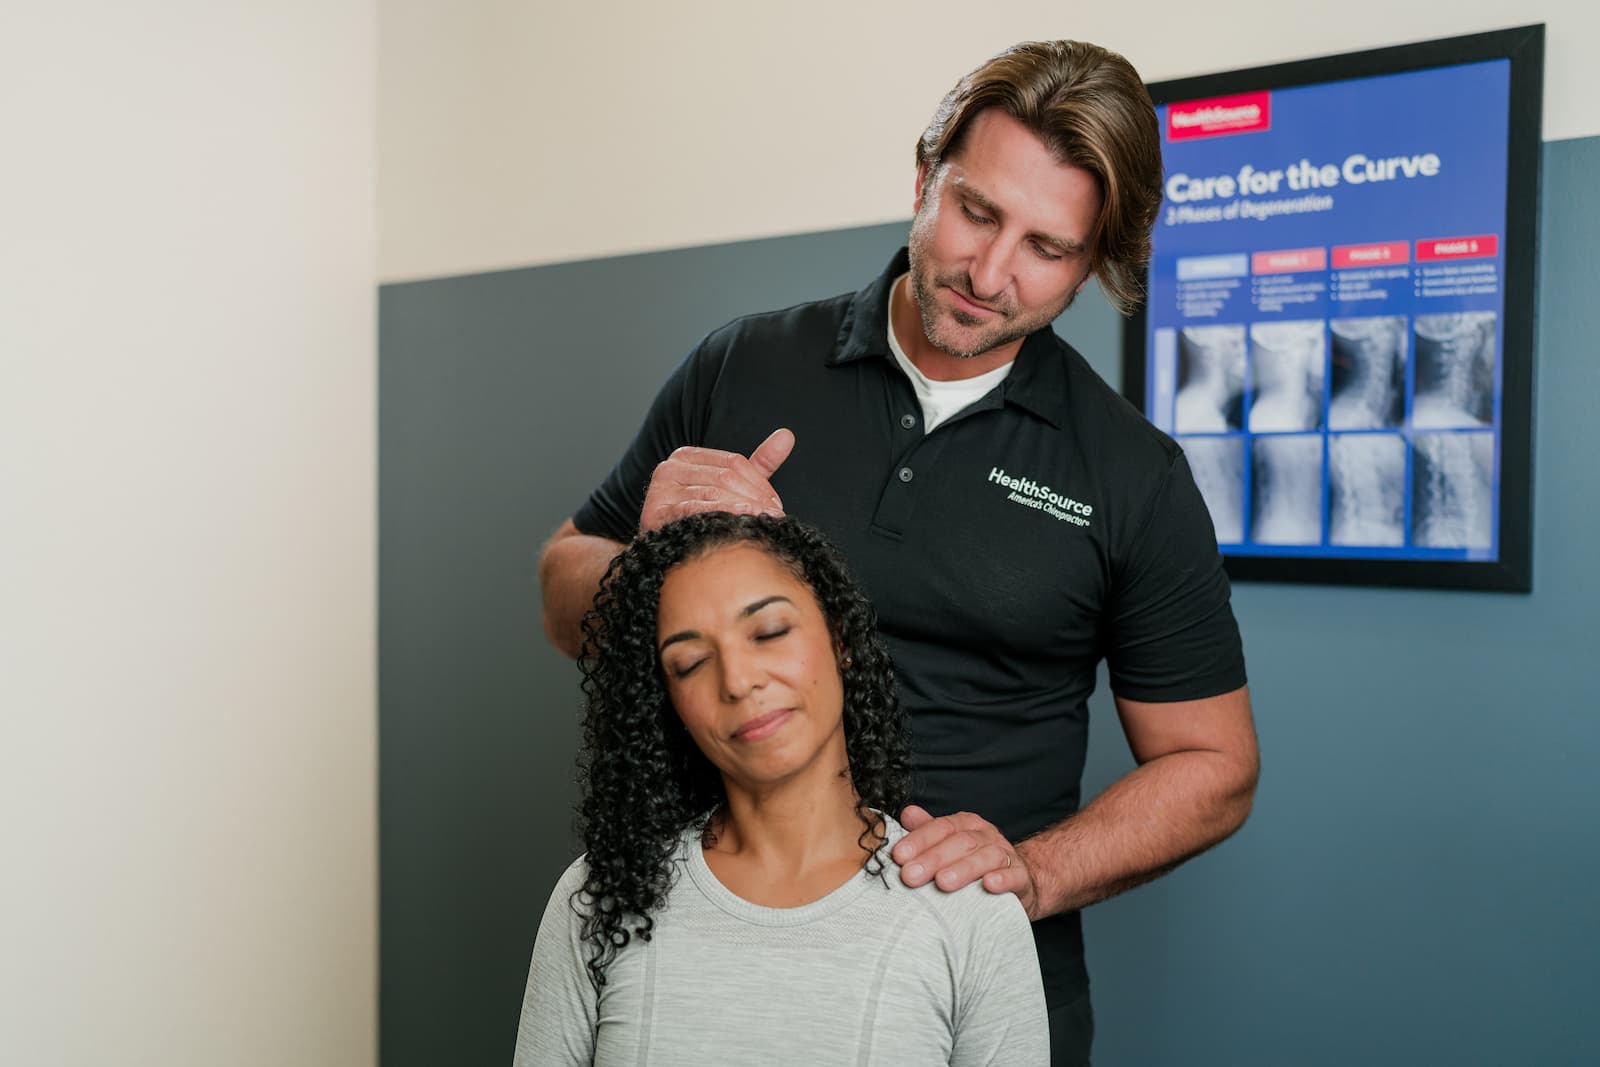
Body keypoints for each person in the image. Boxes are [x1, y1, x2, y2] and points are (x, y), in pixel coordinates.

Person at [537, 40, 1259, 1064]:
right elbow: (563, 584)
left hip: (970, 971)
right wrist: (643, 559)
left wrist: (1031, 870)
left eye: (1047, 248)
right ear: (924, 177)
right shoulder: (745, 363)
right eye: (975, 210)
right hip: (708, 945)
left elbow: (1215, 764)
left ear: (1093, 263)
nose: (988, 271)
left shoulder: (1130, 473)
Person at [515, 513, 1049, 1065]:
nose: (738, 680)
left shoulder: (966, 913)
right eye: (692, 662)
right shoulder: (599, 899)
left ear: (839, 635)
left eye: (769, 633)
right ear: (669, 702)